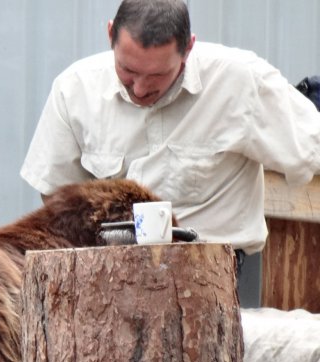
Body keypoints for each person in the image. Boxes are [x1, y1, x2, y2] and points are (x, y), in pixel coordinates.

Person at [20, 0, 320, 272]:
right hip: (105, 274)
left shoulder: (240, 82)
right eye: (127, 70)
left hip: (213, 273)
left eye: (157, 76)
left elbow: (312, 146)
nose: (139, 89)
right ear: (110, 34)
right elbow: (55, 194)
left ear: (188, 48)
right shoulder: (74, 90)